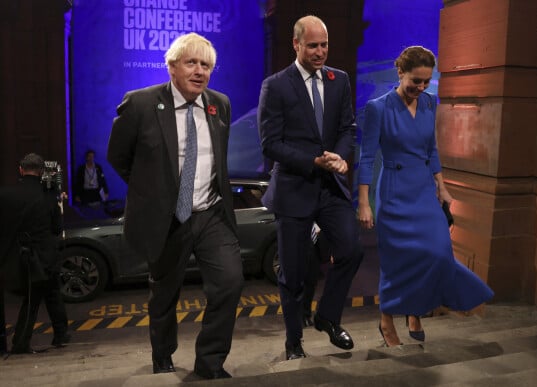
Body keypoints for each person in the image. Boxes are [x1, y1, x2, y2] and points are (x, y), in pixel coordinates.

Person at [107, 32, 243, 379]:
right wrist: (154, 194)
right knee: (164, 295)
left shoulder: (220, 104)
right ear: (171, 67)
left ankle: (210, 361)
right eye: (191, 63)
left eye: (206, 65)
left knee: (229, 282)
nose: (200, 71)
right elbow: (118, 157)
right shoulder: (140, 104)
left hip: (211, 213)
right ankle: (163, 356)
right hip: (168, 219)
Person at [357, 46, 494, 347]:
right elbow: (366, 158)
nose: (420, 88)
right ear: (400, 73)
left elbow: (431, 149)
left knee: (438, 252)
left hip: (422, 189)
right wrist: (364, 202)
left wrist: (441, 186)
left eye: (425, 81)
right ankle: (388, 319)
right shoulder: (378, 108)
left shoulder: (430, 103)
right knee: (397, 261)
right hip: (393, 190)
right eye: (414, 81)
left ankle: (416, 308)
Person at [258, 15, 363, 360]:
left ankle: (327, 318)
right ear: (296, 44)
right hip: (293, 188)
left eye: (325, 45)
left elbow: (348, 128)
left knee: (351, 250)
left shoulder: (339, 80)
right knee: (293, 274)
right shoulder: (276, 85)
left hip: (330, 188)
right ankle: (293, 343)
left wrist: (342, 157)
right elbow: (270, 144)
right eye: (313, 45)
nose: (320, 52)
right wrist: (312, 160)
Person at [0, 153, 70, 354]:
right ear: (41, 172)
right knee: (46, 295)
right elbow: (57, 227)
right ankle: (47, 337)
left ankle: (56, 335)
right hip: (46, 256)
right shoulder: (49, 195)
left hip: (19, 256)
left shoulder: (6, 195)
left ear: (21, 170)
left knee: (37, 295)